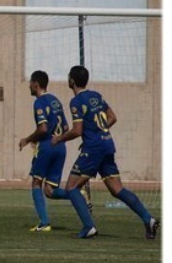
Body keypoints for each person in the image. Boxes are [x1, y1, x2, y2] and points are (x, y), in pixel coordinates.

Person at [52, 65, 159, 239]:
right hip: (107, 145)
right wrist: (97, 133)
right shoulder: (96, 96)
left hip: (94, 149)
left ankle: (89, 227)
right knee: (117, 189)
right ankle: (149, 219)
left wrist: (59, 139)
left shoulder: (76, 102)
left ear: (71, 80)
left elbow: (77, 131)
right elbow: (112, 118)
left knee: (71, 188)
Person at [19, 70, 70, 232]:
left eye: (30, 83)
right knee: (49, 190)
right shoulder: (56, 100)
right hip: (60, 146)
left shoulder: (39, 102)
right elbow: (66, 127)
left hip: (47, 146)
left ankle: (44, 223)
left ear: (36, 84)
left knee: (36, 182)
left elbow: (43, 128)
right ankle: (77, 194)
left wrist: (28, 139)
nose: (29, 86)